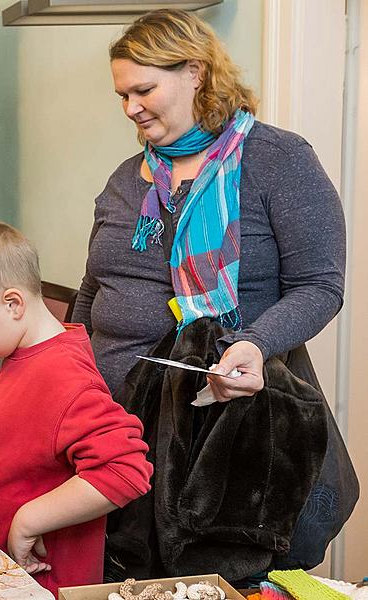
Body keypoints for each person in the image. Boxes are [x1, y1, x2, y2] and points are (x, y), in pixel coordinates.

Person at [70, 9, 348, 580]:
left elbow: (321, 284)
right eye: (122, 95)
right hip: (116, 434)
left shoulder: (278, 160)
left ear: (196, 71)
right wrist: (68, 368)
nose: (131, 108)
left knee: (216, 581)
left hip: (220, 435)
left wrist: (253, 342)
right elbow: (93, 285)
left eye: (144, 89)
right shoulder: (127, 179)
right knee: (128, 578)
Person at [0, 219, 152, 595]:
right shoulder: (23, 354)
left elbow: (125, 469)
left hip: (40, 580)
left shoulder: (64, 374)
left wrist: (29, 520)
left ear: (12, 303)